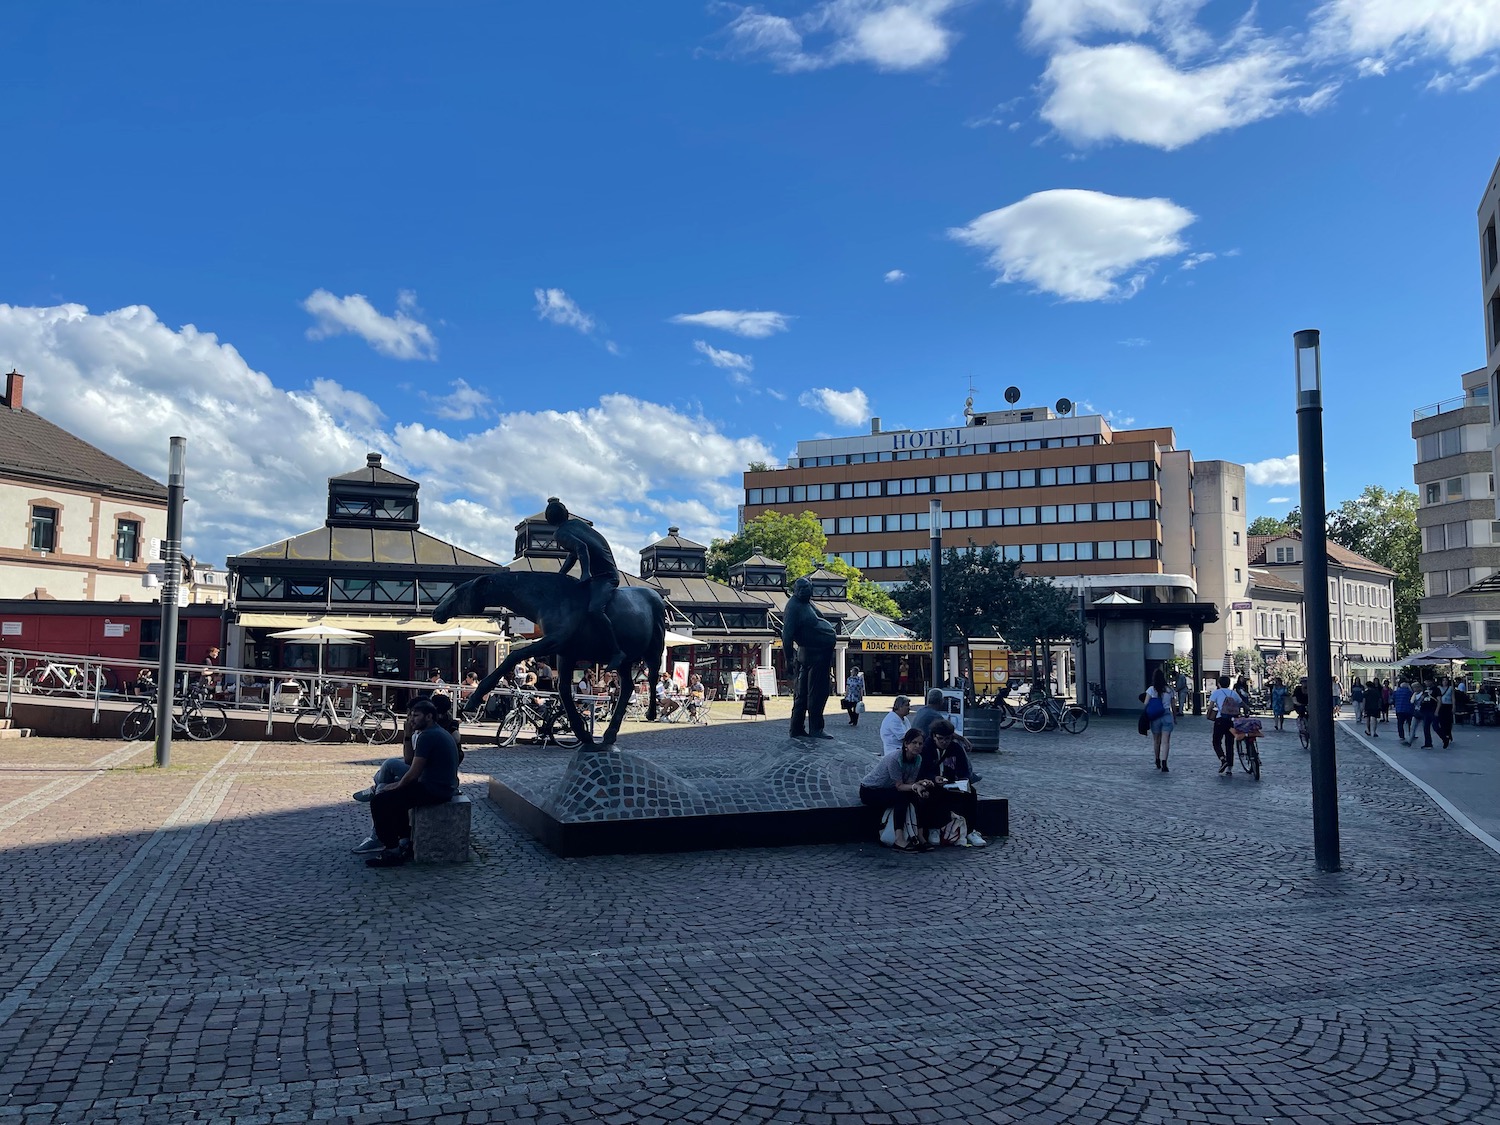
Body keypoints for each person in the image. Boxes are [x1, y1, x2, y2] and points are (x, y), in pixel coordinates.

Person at [362, 700, 460, 868]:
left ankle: (392, 850)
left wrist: (395, 786)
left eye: (415, 716)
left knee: (380, 801)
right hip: (443, 786)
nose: (410, 720)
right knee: (396, 798)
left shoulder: (428, 736)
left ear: (429, 717)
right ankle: (404, 842)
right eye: (409, 715)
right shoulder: (435, 732)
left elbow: (413, 773)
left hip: (435, 789)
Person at [545, 496, 626, 668]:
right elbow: (574, 553)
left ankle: (616, 651)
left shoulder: (561, 533)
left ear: (549, 520)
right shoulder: (577, 524)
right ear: (566, 513)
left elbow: (581, 548)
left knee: (595, 609)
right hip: (601, 575)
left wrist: (585, 573)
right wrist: (560, 575)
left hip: (605, 577)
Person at [859, 728, 940, 850]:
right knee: (901, 798)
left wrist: (921, 784)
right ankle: (899, 838)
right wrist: (915, 786)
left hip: (891, 788)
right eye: (914, 742)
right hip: (871, 790)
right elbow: (900, 786)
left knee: (920, 795)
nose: (917, 746)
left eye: (920, 743)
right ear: (906, 744)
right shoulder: (895, 759)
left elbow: (909, 783)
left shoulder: (918, 759)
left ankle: (920, 835)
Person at [783, 577, 836, 740]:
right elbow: (787, 635)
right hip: (812, 655)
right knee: (815, 693)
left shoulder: (806, 603)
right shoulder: (794, 606)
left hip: (817, 654)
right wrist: (788, 659)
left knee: (807, 694)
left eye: (808, 588)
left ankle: (798, 728)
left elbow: (820, 619)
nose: (805, 591)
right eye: (801, 588)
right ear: (795, 590)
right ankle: (814, 728)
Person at [922, 719, 986, 847]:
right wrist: (934, 778)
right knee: (934, 793)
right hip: (931, 783)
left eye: (947, 738)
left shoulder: (955, 748)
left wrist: (962, 781)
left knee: (971, 793)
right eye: (941, 739)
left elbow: (963, 769)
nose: (944, 742)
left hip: (951, 783)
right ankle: (934, 827)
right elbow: (922, 770)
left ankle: (970, 830)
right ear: (934, 736)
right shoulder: (926, 748)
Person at [1207, 675, 1243, 775]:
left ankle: (1223, 759)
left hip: (1220, 719)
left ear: (1219, 683)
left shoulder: (1216, 692)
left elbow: (1210, 706)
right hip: (1231, 720)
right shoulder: (1233, 693)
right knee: (1229, 743)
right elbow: (1241, 703)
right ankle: (1230, 768)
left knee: (1216, 741)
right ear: (1229, 684)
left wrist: (1208, 714)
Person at [1144, 668, 1175, 772]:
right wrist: (1174, 717)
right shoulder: (1169, 690)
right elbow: (1173, 705)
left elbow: (1146, 703)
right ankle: (1164, 762)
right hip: (1166, 715)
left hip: (1155, 716)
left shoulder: (1151, 690)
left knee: (1156, 740)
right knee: (1166, 741)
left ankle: (1157, 760)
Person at [1417, 682, 1439, 748]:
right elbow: (1422, 698)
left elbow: (1438, 700)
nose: (1426, 683)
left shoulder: (1435, 689)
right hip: (1425, 710)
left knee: (1435, 726)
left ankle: (1444, 737)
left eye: (1427, 681)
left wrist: (1437, 710)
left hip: (1433, 709)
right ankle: (1428, 743)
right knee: (1426, 727)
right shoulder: (1425, 690)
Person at [1393, 678, 1414, 745]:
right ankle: (1411, 734)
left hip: (1399, 709)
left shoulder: (1396, 692)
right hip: (1408, 710)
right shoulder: (1409, 692)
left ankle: (1401, 736)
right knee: (1410, 723)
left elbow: (1393, 699)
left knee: (1400, 723)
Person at [1437, 676, 1456, 748]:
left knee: (1448, 722)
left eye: (1446, 680)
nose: (1445, 682)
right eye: (1443, 680)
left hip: (1448, 705)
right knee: (1441, 722)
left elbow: (1453, 697)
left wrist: (1454, 706)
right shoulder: (1439, 688)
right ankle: (1445, 735)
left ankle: (1448, 735)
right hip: (1441, 706)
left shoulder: (1451, 688)